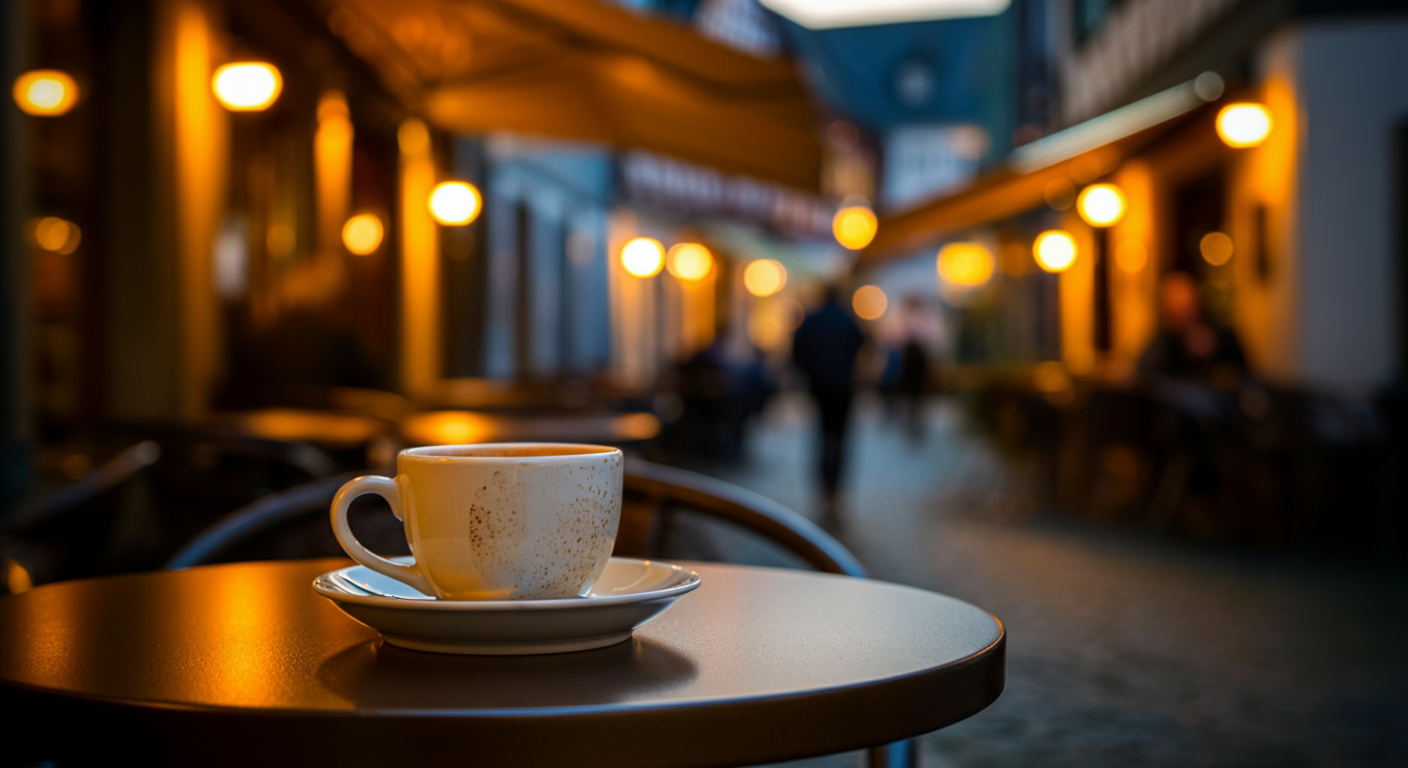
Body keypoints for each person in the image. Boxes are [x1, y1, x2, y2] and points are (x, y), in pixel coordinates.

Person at [792, 285, 865, 524]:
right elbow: (862, 346)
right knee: (840, 439)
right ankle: (834, 492)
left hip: (820, 389)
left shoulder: (812, 320)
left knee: (822, 437)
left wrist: (811, 374)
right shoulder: (848, 320)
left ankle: (823, 490)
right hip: (843, 389)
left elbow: (796, 352)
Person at [1138, 271, 1247, 385]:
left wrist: (1216, 347)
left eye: (1187, 307)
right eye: (1177, 313)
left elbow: (1243, 372)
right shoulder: (1163, 343)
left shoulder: (1222, 335)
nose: (1182, 311)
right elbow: (1145, 376)